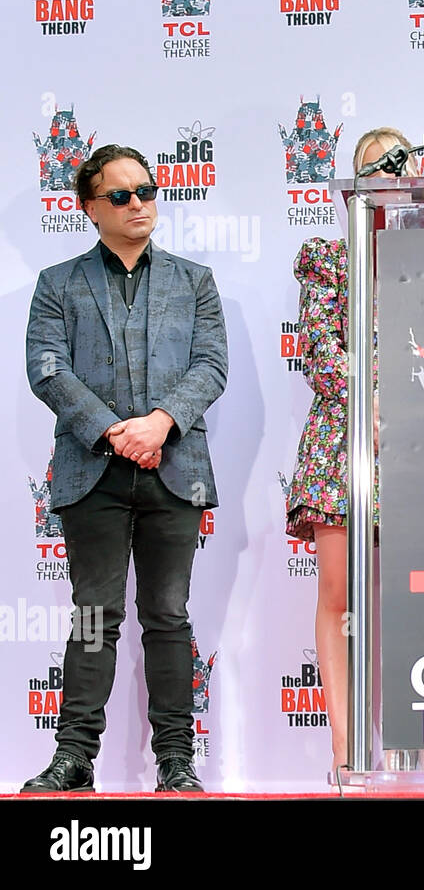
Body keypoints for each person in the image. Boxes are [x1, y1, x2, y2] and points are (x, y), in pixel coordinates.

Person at [23, 144, 228, 793]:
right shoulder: (57, 283)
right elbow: (47, 369)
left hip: (176, 467)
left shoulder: (194, 280)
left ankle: (176, 762)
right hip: (93, 473)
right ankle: (73, 759)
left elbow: (211, 365)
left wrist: (161, 422)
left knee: (169, 617)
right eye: (121, 195)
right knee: (94, 616)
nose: (138, 203)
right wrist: (115, 432)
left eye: (146, 189)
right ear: (90, 207)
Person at [286, 127, 420, 780]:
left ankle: (403, 744)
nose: (388, 178)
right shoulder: (327, 258)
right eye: (375, 168)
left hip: (419, 447)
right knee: (339, 600)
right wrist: (378, 390)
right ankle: (346, 755)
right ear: (350, 183)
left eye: (400, 167)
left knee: (407, 599)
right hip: (342, 443)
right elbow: (318, 351)